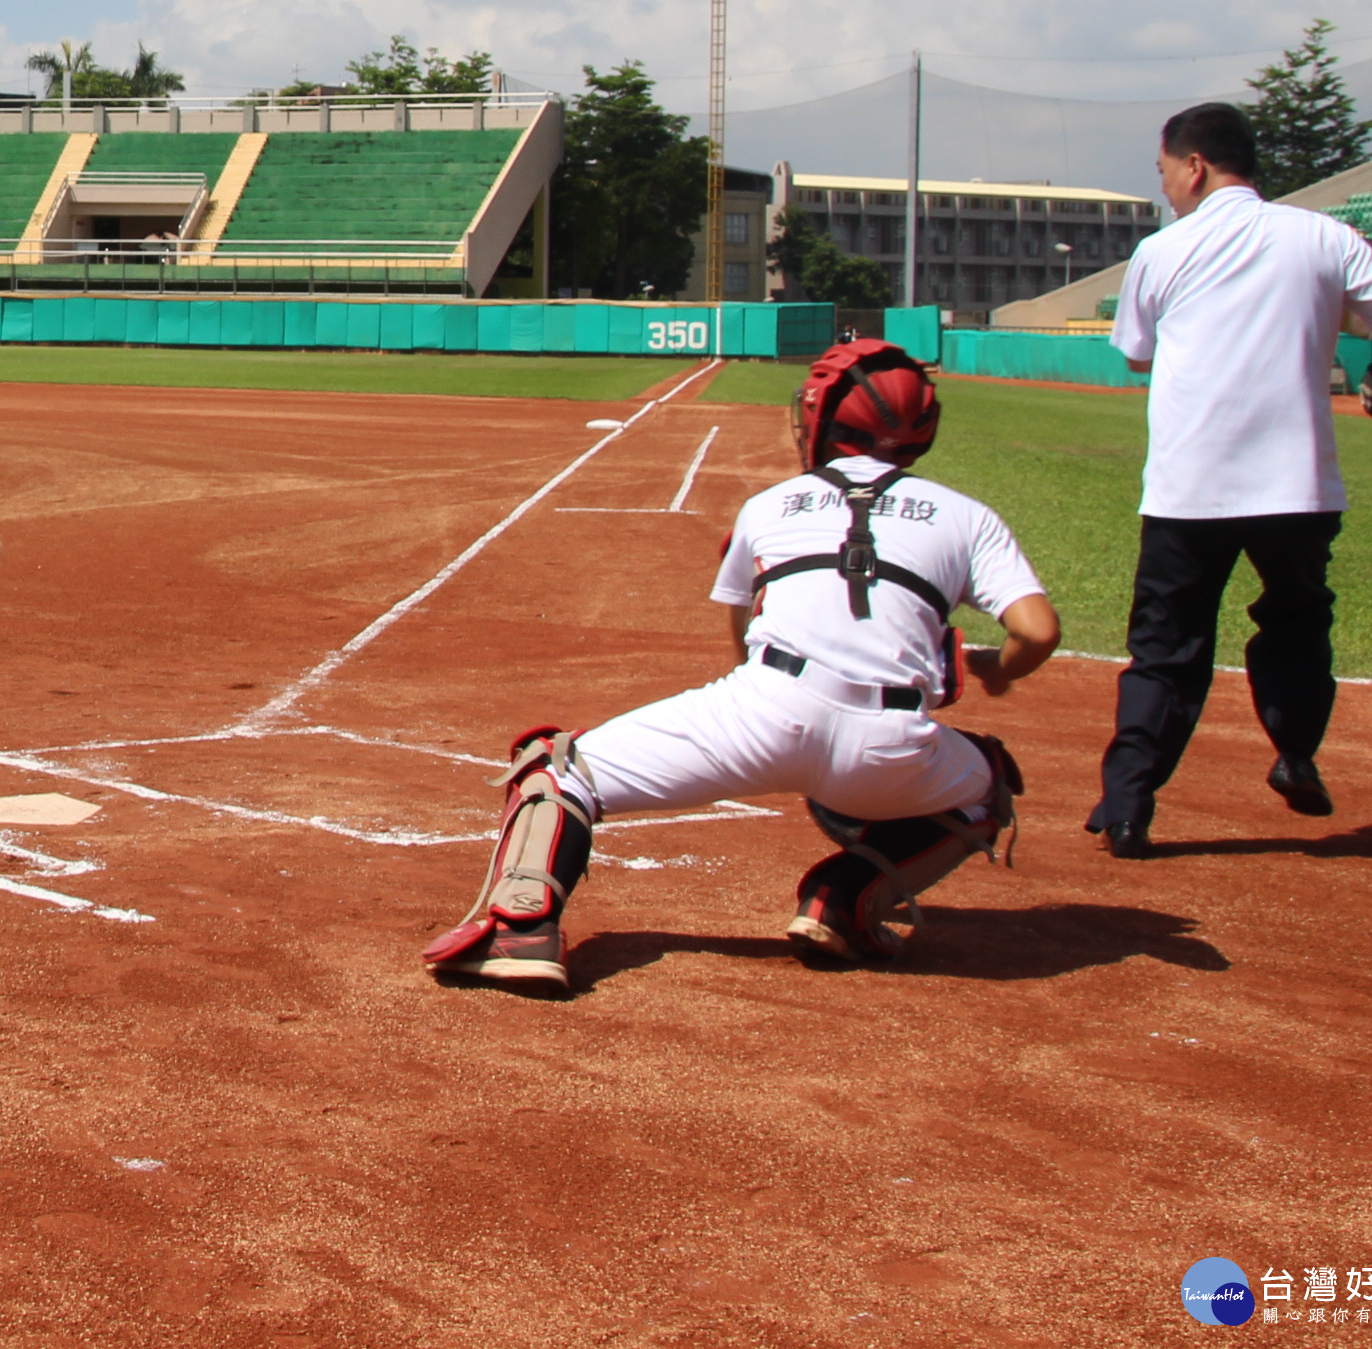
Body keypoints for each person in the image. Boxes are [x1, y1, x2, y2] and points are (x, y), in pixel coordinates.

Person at [425, 340, 1057, 992]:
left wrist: (777, 728)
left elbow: (745, 636)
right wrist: (1003, 670)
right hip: (893, 752)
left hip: (764, 711)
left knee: (557, 768)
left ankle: (520, 931)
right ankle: (845, 898)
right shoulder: (967, 516)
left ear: (818, 421)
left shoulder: (771, 505)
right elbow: (1038, 631)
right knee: (988, 783)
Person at [1089, 104, 1372, 856]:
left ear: (1193, 166)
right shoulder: (1323, 235)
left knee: (1167, 645)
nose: (1165, 188)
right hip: (1298, 485)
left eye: (1164, 172)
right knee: (1296, 620)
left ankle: (1128, 806)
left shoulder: (1164, 249)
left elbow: (1134, 352)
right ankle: (1294, 753)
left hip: (1190, 485)